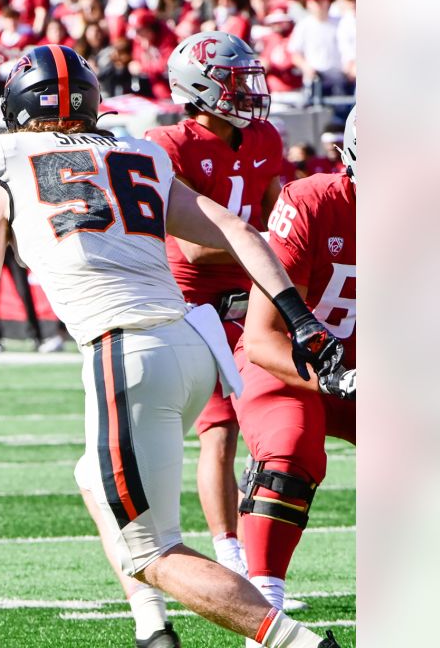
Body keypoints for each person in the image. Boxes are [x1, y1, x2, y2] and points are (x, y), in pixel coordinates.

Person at [0, 45, 344, 648]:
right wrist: (298, 316)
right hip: (191, 343)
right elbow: (241, 231)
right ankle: (152, 628)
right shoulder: (139, 150)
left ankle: (301, 644)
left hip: (127, 351)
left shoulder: (3, 154)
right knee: (94, 476)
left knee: (153, 550)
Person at [145, 31, 286, 600]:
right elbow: (198, 247)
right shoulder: (167, 144)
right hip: (193, 303)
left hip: (252, 297)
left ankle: (257, 560)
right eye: (234, 81)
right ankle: (230, 554)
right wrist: (268, 242)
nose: (249, 92)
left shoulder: (264, 137)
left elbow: (281, 205)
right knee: (220, 431)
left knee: (269, 426)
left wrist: (279, 240)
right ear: (199, 89)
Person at [232, 106, 357, 633]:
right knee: (292, 442)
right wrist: (333, 378)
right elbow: (261, 338)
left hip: (362, 370)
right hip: (291, 363)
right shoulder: (311, 201)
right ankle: (266, 607)